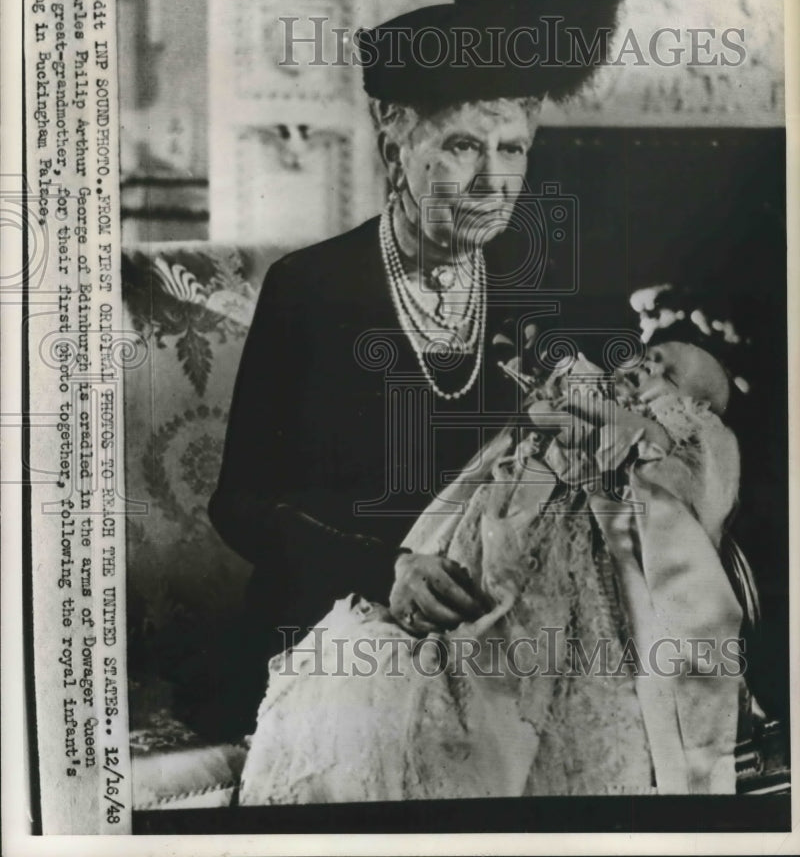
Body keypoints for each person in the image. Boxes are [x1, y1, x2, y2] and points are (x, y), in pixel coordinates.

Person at [208, 0, 630, 726]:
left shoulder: (525, 279)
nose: (491, 183)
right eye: (463, 145)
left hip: (488, 631)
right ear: (394, 134)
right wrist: (387, 571)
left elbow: (606, 409)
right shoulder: (311, 288)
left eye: (512, 150)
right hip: (335, 621)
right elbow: (240, 502)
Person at [237, 325, 749, 802]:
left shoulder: (676, 436)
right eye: (649, 358)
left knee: (542, 662)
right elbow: (537, 419)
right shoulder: (584, 382)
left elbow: (676, 489)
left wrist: (629, 427)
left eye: (669, 375)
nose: (647, 370)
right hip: (499, 524)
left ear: (695, 406)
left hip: (581, 560)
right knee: (451, 624)